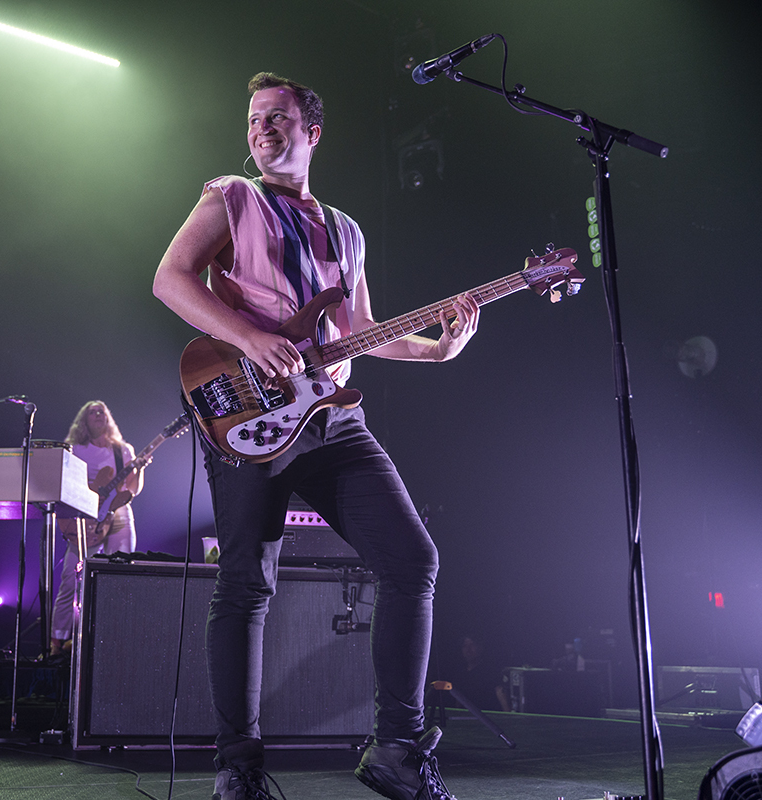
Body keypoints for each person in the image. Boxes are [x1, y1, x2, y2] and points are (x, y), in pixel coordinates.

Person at [153, 73, 480, 800]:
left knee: (411, 559)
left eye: (277, 117)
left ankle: (397, 749)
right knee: (245, 584)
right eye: (254, 120)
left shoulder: (347, 230)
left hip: (330, 416)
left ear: (313, 132)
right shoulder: (229, 198)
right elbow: (170, 279)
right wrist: (248, 337)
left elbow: (358, 332)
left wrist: (437, 349)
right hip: (248, 410)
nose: (262, 129)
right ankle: (238, 770)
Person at [48, 401, 144, 659]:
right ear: (84, 420)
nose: (99, 415)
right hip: (84, 514)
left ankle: (111, 639)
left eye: (102, 411)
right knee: (70, 578)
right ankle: (57, 642)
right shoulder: (75, 449)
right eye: (93, 411)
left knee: (120, 574)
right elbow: (64, 484)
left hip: (118, 512)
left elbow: (131, 490)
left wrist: (140, 468)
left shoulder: (122, 450)